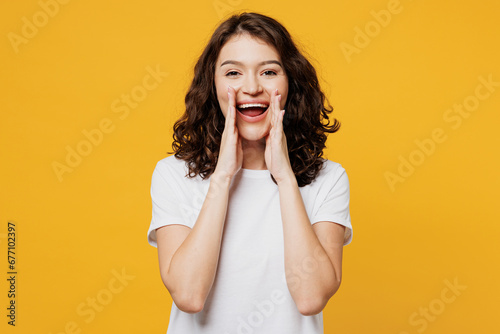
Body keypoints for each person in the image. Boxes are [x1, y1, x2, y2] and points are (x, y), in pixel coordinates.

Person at [147, 12, 353, 334]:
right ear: (212, 85)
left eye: (269, 71)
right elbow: (189, 295)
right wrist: (223, 176)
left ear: (290, 82)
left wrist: (285, 178)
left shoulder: (329, 179)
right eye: (233, 73)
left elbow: (310, 297)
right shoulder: (172, 175)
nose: (252, 87)